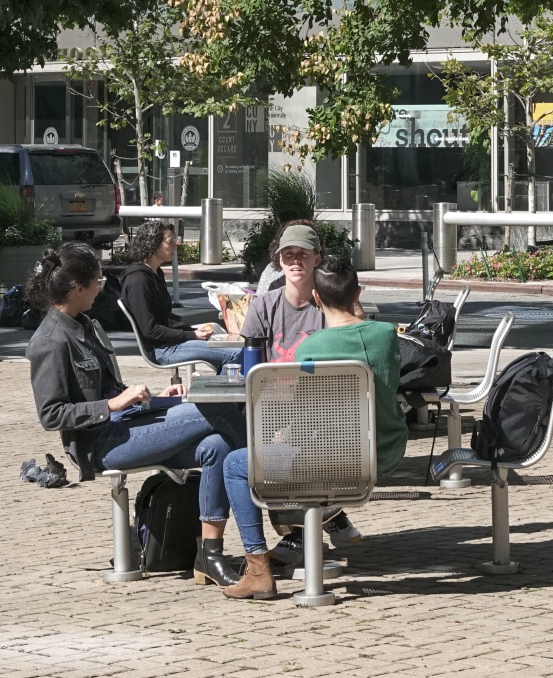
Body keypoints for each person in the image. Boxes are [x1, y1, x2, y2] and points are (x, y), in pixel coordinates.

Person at [25, 243, 244, 587]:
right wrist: (113, 405)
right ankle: (277, 494)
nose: (102, 287)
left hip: (126, 425)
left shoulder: (86, 324)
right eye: (98, 281)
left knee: (216, 445)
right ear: (77, 288)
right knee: (218, 408)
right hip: (101, 444)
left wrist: (154, 398)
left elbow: (112, 389)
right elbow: (51, 415)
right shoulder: (50, 341)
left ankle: (209, 555)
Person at [220, 255, 407, 600]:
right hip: (383, 454)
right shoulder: (386, 336)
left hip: (324, 460)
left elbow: (292, 410)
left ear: (317, 299)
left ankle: (258, 569)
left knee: (234, 464)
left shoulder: (310, 348)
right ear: (358, 293)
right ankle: (322, 524)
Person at [120, 219, 242, 373]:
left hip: (171, 342)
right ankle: (223, 394)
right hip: (162, 349)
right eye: (170, 242)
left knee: (232, 345)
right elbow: (150, 330)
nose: (175, 246)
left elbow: (164, 318)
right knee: (236, 355)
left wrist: (191, 331)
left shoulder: (155, 273)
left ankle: (221, 387)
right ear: (153, 244)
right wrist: (192, 335)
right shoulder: (138, 280)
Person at [241, 220, 325, 362]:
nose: (295, 260)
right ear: (280, 260)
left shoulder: (330, 305)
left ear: (317, 260)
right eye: (289, 253)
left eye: (303, 253)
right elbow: (252, 365)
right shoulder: (261, 306)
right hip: (271, 383)